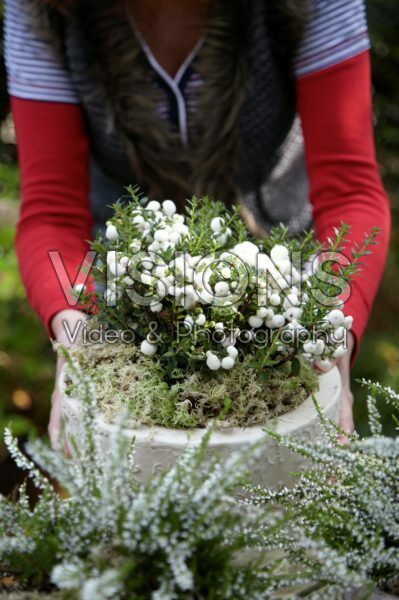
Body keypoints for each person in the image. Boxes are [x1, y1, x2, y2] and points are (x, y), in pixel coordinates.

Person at [4, 0, 391, 447]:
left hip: (288, 294)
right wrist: (78, 331)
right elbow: (52, 211)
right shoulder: (41, 10)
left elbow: (350, 191)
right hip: (123, 300)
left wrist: (330, 324)